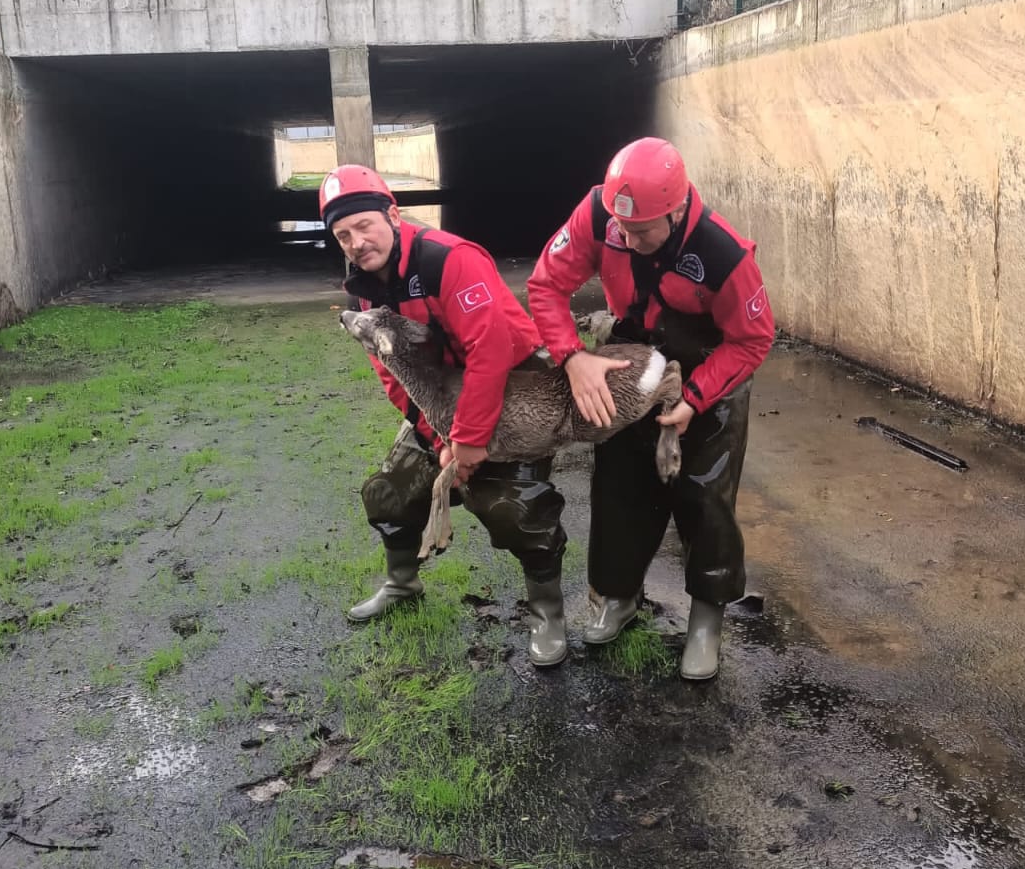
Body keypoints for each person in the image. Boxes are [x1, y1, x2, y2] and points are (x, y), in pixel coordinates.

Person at [527, 137, 774, 680]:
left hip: (709, 364)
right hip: (634, 357)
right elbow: (546, 285)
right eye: (621, 229)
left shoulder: (721, 252)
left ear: (678, 210)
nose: (627, 239)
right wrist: (572, 357)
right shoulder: (599, 214)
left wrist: (697, 397)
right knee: (618, 481)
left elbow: (752, 339)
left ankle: (706, 618)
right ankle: (618, 595)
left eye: (641, 232)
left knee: (705, 492)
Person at [320, 164, 569, 667]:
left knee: (516, 508)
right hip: (442, 400)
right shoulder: (363, 289)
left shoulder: (449, 260)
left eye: (364, 225)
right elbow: (393, 373)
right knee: (391, 490)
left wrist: (470, 439)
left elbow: (491, 349)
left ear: (393, 214)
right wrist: (439, 438)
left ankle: (548, 613)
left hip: (511, 389)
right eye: (342, 235)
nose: (356, 242)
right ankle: (402, 583)